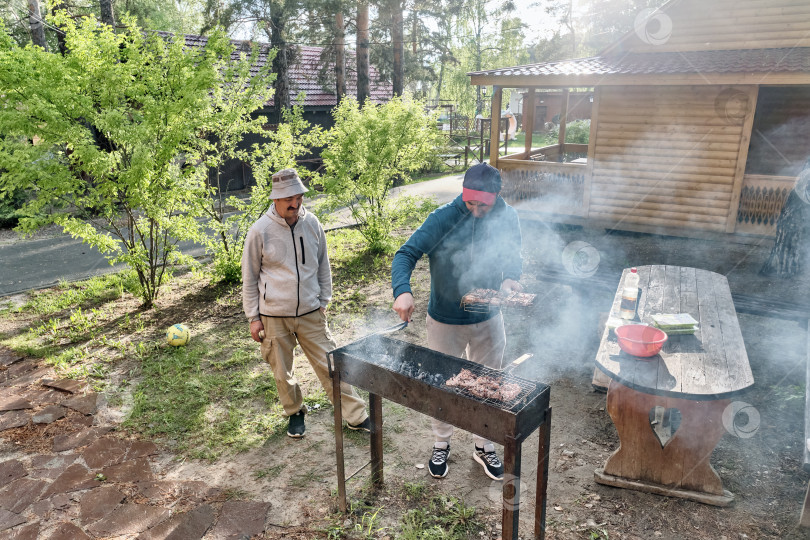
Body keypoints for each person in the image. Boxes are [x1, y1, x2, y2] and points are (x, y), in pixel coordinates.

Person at [391, 163, 523, 481]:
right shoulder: (443, 218)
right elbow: (406, 254)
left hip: (489, 319)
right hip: (444, 320)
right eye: (470, 203)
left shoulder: (508, 217)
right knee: (443, 384)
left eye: (483, 204)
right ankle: (441, 443)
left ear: (496, 197)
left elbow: (513, 254)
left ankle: (484, 446)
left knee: (489, 386)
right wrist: (403, 291)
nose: (476, 210)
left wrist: (510, 280)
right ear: (463, 196)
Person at [242, 168, 370, 438]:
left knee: (331, 364)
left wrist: (324, 300)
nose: (295, 203)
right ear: (275, 199)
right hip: (273, 316)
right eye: (289, 198)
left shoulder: (312, 223)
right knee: (282, 371)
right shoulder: (259, 231)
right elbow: (250, 277)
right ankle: (294, 412)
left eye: (299, 197)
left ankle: (355, 416)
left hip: (312, 312)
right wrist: (253, 317)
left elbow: (323, 264)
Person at [761, 157, 810, 278]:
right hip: (794, 214)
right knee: (789, 241)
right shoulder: (805, 180)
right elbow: (804, 195)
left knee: (799, 243)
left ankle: (793, 267)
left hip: (800, 215)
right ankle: (784, 268)